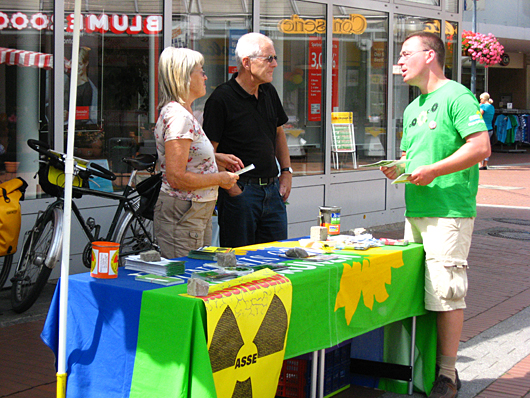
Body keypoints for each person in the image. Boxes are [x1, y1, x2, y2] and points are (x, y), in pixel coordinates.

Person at [380, 32, 490, 398]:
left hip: (448, 212)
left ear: (430, 56)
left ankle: (446, 375)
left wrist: (434, 171)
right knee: (418, 294)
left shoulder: (457, 95)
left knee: (445, 293)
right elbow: (415, 158)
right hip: (417, 211)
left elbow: (480, 147)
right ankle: (421, 367)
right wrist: (400, 167)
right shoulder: (414, 108)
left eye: (405, 53)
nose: (399, 61)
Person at [203, 32, 292, 248]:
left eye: (275, 57)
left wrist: (287, 172)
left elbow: (278, 132)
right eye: (269, 58)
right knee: (240, 265)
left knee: (276, 261)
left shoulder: (269, 92)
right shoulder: (221, 99)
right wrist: (234, 192)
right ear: (246, 63)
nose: (275, 64)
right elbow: (207, 155)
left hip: (272, 191)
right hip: (241, 192)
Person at [153, 47, 242, 259]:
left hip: (193, 210)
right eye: (200, 71)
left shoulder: (182, 112)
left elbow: (185, 156)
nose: (205, 76)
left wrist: (215, 158)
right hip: (185, 211)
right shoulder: (179, 117)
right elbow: (176, 177)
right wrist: (220, 178)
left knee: (197, 276)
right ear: (182, 76)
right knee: (185, 281)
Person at [479, 92, 495, 170]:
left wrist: (477, 108)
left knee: (479, 146)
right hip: (490, 129)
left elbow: (478, 115)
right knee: (487, 146)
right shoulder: (492, 107)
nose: (480, 100)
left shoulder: (483, 106)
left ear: (483, 99)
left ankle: (479, 164)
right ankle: (485, 164)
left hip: (482, 129)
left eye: (481, 99)